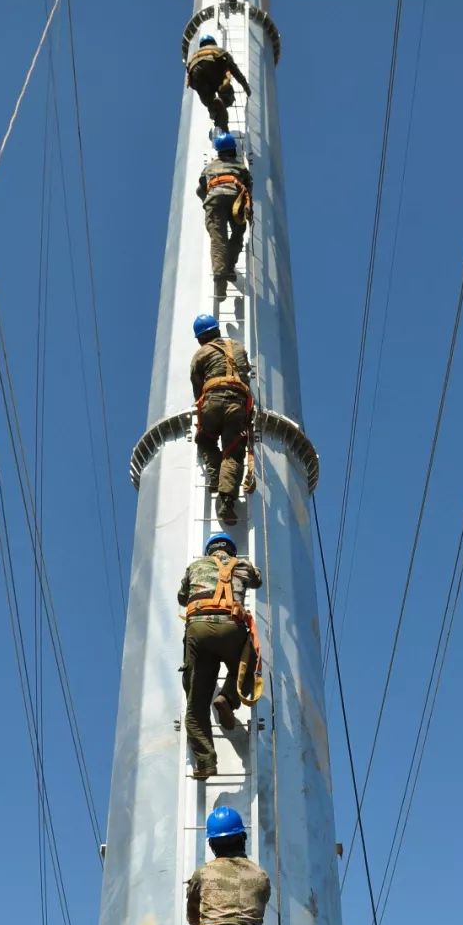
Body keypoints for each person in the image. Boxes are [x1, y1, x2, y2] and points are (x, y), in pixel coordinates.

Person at [178, 532, 262, 779]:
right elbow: (257, 580)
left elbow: (182, 598)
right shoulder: (241, 565)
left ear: (209, 551)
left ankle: (205, 762)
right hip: (230, 627)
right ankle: (227, 698)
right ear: (231, 551)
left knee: (196, 703)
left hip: (198, 631)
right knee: (248, 667)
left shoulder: (195, 566)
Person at [191, 312, 253, 527]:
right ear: (217, 330)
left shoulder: (201, 354)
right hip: (237, 404)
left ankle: (215, 475)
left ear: (200, 338)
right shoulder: (237, 346)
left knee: (205, 440)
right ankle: (226, 501)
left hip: (213, 401)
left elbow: (197, 387)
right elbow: (245, 374)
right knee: (233, 453)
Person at [197, 132, 252, 300]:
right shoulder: (240, 167)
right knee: (237, 234)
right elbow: (249, 186)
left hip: (214, 200)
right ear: (233, 150)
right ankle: (229, 267)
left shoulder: (209, 168)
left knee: (218, 238)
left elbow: (200, 189)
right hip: (236, 199)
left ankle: (220, 279)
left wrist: (207, 201)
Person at [186, 34, 251, 135]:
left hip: (195, 73)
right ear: (213, 43)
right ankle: (222, 99)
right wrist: (246, 87)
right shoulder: (219, 51)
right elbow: (235, 71)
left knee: (207, 99)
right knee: (227, 93)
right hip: (213, 67)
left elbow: (189, 72)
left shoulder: (194, 55)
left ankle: (213, 109)